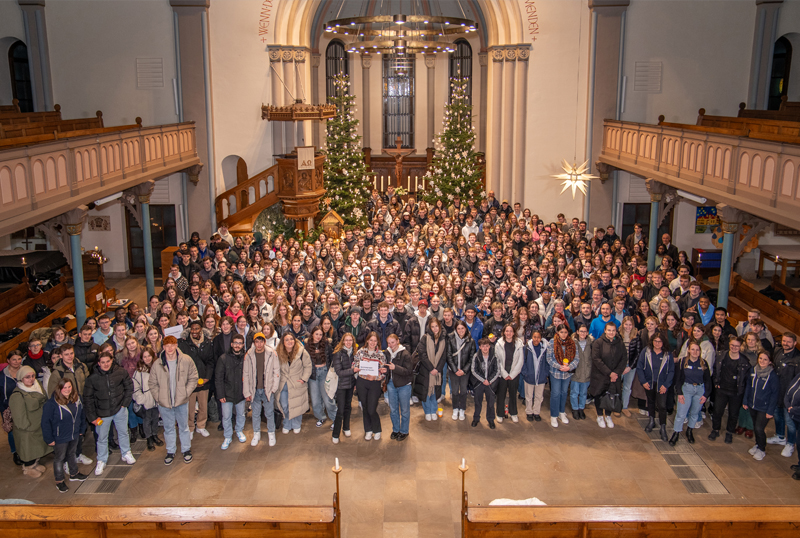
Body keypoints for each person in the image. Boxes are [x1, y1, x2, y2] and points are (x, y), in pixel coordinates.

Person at [149, 336, 199, 465]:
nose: (170, 348)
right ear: (163, 347)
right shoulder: (158, 363)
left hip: (181, 402)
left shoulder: (186, 360)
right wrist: (159, 397)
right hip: (165, 404)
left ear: (176, 345)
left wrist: (185, 393)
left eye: (172, 345)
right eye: (167, 346)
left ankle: (186, 449)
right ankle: (170, 451)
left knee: (184, 427)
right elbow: (152, 383)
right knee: (168, 428)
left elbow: (193, 377)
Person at [83, 352, 135, 475]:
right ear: (98, 363)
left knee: (123, 432)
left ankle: (126, 452)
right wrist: (92, 417)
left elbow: (129, 387)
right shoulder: (92, 378)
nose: (106, 364)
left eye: (108, 361)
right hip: (102, 413)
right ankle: (101, 460)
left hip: (120, 409)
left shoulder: (120, 372)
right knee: (102, 438)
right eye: (103, 362)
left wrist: (125, 403)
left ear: (112, 360)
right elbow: (88, 399)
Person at [46, 344, 92, 466]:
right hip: (66, 409)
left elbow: (88, 384)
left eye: (71, 353)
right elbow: (52, 394)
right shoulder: (57, 373)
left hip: (81, 405)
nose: (70, 356)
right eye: (66, 354)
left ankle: (78, 454)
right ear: (61, 356)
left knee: (79, 431)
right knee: (67, 436)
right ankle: (67, 461)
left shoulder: (81, 367)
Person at [41, 378, 88, 492]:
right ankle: (59, 481)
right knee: (59, 458)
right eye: (64, 387)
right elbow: (45, 422)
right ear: (59, 389)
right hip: (60, 437)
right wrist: (49, 438)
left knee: (72, 454)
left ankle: (74, 474)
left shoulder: (77, 399)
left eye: (69, 387)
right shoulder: (51, 404)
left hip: (74, 434)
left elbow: (82, 415)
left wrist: (82, 429)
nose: (67, 390)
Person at [8, 365, 52, 478]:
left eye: (32, 376)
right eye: (27, 377)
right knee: (28, 450)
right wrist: (26, 427)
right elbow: (18, 416)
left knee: (36, 449)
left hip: (39, 425)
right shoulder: (18, 394)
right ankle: (28, 468)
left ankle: (35, 464)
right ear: (21, 378)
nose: (31, 379)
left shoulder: (38, 386)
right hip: (27, 429)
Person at [709, 337, 751, 444]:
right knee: (717, 411)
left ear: (740, 347)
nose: (734, 347)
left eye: (737, 346)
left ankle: (729, 432)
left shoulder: (745, 361)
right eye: (732, 345)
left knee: (733, 414)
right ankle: (715, 429)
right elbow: (715, 370)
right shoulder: (721, 355)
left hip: (736, 392)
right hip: (722, 389)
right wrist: (716, 383)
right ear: (729, 345)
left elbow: (746, 379)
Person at [243, 332, 281, 447]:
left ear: (264, 342)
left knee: (269, 413)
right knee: (255, 413)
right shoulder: (249, 355)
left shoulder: (271, 353)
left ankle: (271, 433)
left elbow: (276, 371)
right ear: (254, 343)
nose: (259, 344)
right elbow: (246, 374)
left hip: (267, 389)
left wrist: (274, 388)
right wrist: (247, 392)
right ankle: (256, 433)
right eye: (257, 342)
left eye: (261, 341)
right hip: (254, 389)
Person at [669, 342, 711, 446]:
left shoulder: (704, 363)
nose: (695, 352)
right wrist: (679, 393)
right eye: (693, 349)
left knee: (695, 413)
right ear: (688, 350)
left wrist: (705, 395)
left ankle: (689, 430)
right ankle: (676, 433)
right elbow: (678, 379)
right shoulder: (683, 362)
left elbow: (708, 381)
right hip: (686, 389)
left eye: (697, 350)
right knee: (681, 413)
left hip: (699, 390)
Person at [178, 320, 214, 439]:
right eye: (192, 329)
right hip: (190, 381)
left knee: (203, 406)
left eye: (197, 329)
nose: (194, 331)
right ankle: (190, 427)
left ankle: (201, 426)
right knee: (190, 407)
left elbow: (210, 361)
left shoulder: (207, 343)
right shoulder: (184, 343)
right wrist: (190, 379)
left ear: (201, 329)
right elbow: (182, 363)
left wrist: (207, 377)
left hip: (204, 380)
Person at [743, 351, 780, 461]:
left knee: (759, 428)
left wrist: (770, 411)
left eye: (765, 359)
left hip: (764, 408)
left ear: (770, 362)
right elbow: (748, 386)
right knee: (755, 427)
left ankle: (762, 449)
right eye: (760, 358)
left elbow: (775, 394)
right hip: (753, 405)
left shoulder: (772, 375)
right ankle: (757, 444)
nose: (762, 361)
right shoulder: (753, 370)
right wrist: (745, 401)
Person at [589, 322, 627, 428]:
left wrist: (616, 373)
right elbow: (596, 359)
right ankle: (600, 416)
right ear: (605, 331)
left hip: (614, 377)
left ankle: (608, 416)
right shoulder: (598, 343)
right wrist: (609, 373)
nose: (611, 332)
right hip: (600, 375)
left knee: (611, 395)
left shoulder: (620, 343)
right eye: (609, 330)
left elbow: (624, 359)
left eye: (613, 330)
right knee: (599, 395)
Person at [769, 332, 800, 458]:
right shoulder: (777, 351)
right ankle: (780, 436)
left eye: (789, 342)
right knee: (777, 416)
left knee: (790, 422)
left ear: (795, 343)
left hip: (789, 397)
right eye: (784, 341)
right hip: (776, 392)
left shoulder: (798, 358)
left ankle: (791, 443)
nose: (785, 343)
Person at [216, 334, 247, 449]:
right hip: (227, 393)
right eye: (235, 343)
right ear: (231, 344)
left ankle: (239, 430)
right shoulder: (223, 358)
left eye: (240, 343)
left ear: (243, 345)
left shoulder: (246, 358)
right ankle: (228, 436)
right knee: (226, 416)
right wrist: (220, 394)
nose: (237, 345)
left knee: (241, 414)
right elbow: (218, 378)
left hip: (241, 392)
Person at [277, 333, 312, 434]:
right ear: (283, 342)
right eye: (287, 340)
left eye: (291, 339)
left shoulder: (302, 352)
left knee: (297, 405)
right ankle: (287, 424)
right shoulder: (278, 353)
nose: (289, 341)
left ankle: (296, 424)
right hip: (283, 383)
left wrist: (304, 379)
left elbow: (308, 366)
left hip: (297, 383)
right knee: (284, 405)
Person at [413, 318, 448, 421]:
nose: (435, 329)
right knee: (426, 391)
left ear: (439, 326)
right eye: (432, 327)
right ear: (429, 327)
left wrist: (437, 369)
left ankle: (434, 410)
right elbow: (422, 354)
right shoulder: (425, 338)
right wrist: (431, 368)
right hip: (426, 370)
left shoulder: (443, 339)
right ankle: (427, 411)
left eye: (436, 326)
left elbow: (444, 356)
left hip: (437, 371)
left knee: (435, 391)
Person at [546, 324, 579, 427]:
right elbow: (549, 358)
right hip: (555, 372)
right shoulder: (552, 342)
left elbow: (576, 358)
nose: (563, 334)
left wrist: (569, 367)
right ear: (557, 332)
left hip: (567, 373)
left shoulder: (572, 343)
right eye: (561, 332)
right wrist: (559, 366)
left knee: (564, 393)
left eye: (565, 332)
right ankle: (554, 415)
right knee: (555, 393)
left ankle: (561, 412)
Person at [306, 326, 337, 428]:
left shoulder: (326, 344)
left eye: (320, 334)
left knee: (328, 399)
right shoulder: (307, 346)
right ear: (312, 334)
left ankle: (335, 418)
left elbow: (332, 358)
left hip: (324, 373)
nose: (318, 336)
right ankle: (321, 417)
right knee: (315, 400)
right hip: (313, 374)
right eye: (316, 334)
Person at [355, 332, 385, 438]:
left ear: (377, 342)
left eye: (375, 341)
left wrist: (375, 377)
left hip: (374, 383)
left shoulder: (380, 354)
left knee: (372, 409)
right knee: (365, 407)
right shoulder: (360, 352)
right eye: (371, 340)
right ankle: (368, 429)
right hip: (362, 382)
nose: (372, 342)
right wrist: (360, 368)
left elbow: (383, 371)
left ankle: (377, 429)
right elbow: (354, 365)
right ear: (367, 340)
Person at [132, 346, 162, 451]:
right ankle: (149, 438)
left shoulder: (158, 367)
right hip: (146, 401)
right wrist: (142, 399)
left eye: (149, 356)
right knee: (147, 420)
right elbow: (135, 387)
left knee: (155, 419)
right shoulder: (139, 371)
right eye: (145, 357)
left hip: (157, 399)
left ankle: (155, 435)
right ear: (142, 358)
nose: (147, 358)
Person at [384, 333, 413, 440]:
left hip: (404, 385)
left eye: (392, 342)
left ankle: (404, 431)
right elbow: (387, 368)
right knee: (393, 409)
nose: (391, 345)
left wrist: (395, 368)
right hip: (391, 384)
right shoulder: (387, 353)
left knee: (404, 410)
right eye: (389, 343)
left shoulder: (405, 354)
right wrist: (384, 370)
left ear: (397, 341)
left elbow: (409, 371)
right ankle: (396, 430)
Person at [493, 324, 524, 423]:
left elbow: (521, 361)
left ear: (514, 332)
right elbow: (497, 360)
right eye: (507, 331)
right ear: (504, 332)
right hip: (502, 374)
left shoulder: (519, 344)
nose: (509, 333)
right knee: (501, 394)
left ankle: (513, 413)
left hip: (514, 374)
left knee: (513, 394)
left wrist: (512, 374)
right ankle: (500, 413)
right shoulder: (499, 344)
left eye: (511, 331)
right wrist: (505, 374)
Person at [446, 321, 475, 421]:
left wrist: (464, 370)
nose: (461, 330)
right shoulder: (450, 339)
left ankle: (462, 409)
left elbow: (472, 358)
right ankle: (455, 408)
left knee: (463, 391)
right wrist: (455, 370)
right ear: (455, 329)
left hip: (464, 372)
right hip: (453, 370)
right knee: (454, 391)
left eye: (462, 328)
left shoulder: (471, 341)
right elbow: (448, 355)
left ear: (466, 329)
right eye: (458, 328)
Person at [331, 333, 357, 443]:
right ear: (343, 341)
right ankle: (335, 434)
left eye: (350, 340)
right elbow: (339, 372)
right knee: (340, 410)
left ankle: (346, 427)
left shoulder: (355, 353)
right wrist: (353, 371)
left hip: (350, 385)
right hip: (341, 386)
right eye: (346, 340)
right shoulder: (338, 353)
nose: (348, 342)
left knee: (348, 407)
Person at [1, 350, 24, 466]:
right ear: (8, 361)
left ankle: (26, 450)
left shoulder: (26, 371)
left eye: (19, 359)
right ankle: (15, 452)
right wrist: (3, 409)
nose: (17, 362)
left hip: (24, 406)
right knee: (11, 431)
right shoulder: (2, 376)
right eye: (14, 359)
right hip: (8, 408)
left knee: (25, 429)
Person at [471, 338, 500, 428]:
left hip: (490, 384)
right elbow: (473, 370)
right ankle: (476, 418)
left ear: (489, 346)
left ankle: (491, 419)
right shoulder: (476, 356)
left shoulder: (494, 356)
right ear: (479, 347)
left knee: (491, 403)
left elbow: (497, 370)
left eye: (487, 346)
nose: (485, 348)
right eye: (483, 346)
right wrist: (483, 380)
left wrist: (489, 381)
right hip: (479, 383)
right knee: (477, 402)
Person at [521, 329, 549, 422]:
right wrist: (525, 373)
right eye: (534, 337)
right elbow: (522, 361)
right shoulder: (526, 348)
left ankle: (536, 412)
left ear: (541, 338)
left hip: (541, 377)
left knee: (539, 397)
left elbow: (547, 362)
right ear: (531, 337)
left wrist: (546, 373)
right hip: (529, 376)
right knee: (529, 396)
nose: (536, 339)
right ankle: (529, 412)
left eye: (538, 337)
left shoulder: (545, 348)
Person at [570, 325, 593, 420]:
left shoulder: (591, 343)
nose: (583, 333)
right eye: (581, 331)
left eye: (585, 331)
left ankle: (581, 408)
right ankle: (575, 408)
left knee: (583, 393)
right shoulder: (573, 342)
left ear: (587, 333)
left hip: (586, 372)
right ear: (577, 332)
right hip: (576, 372)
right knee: (574, 392)